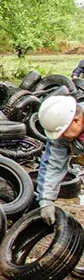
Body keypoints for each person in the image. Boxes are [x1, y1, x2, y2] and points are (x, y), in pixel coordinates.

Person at [35, 95, 84, 225]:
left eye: (62, 132)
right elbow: (53, 164)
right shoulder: (62, 135)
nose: (60, 136)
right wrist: (46, 201)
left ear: (76, 121)